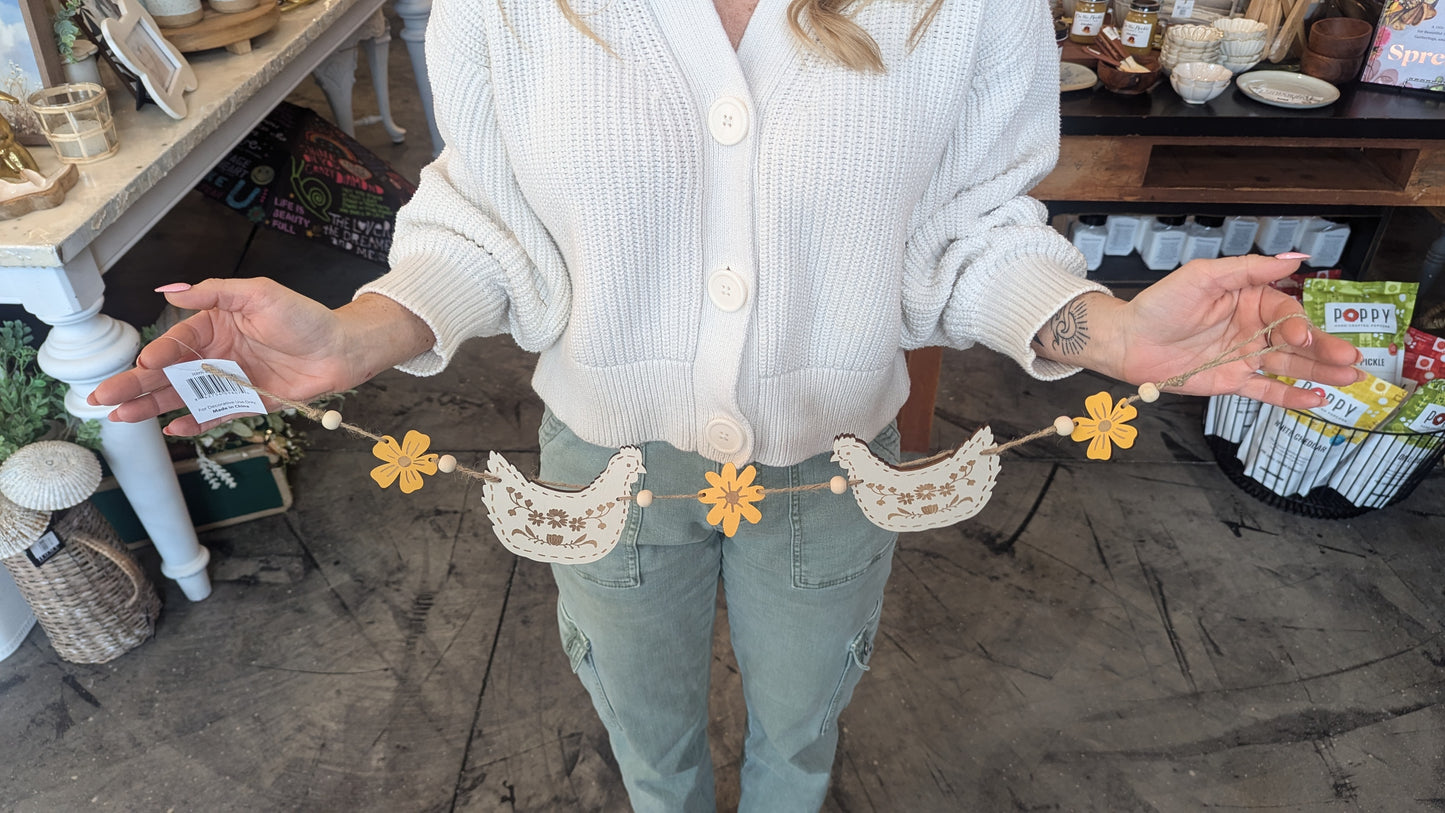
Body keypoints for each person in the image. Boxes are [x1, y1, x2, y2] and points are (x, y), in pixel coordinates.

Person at [93, 0, 1362, 809]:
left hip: (833, 463)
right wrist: (354, 333)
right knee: (644, 732)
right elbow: (488, 219)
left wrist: (1115, 327)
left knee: (802, 725)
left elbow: (965, 228)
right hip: (608, 465)